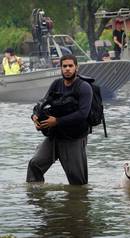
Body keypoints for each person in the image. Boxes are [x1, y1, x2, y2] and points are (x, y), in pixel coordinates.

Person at [26, 54, 93, 185]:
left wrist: (57, 121)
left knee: (77, 181)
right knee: (35, 164)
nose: (67, 69)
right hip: (54, 136)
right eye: (64, 66)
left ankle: (78, 202)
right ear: (60, 68)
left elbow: (83, 114)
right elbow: (43, 104)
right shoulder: (56, 84)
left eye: (70, 66)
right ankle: (36, 199)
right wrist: (35, 116)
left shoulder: (84, 87)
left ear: (76, 68)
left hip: (74, 138)